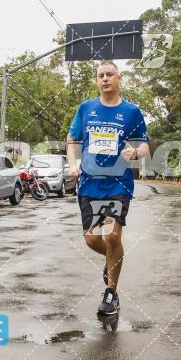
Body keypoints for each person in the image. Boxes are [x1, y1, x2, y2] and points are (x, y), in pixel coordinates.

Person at [67, 60, 150, 315]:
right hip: (90, 183)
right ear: (97, 81)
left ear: (119, 78)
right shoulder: (86, 108)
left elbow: (145, 146)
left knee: (113, 235)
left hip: (118, 183)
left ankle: (111, 293)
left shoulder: (131, 112)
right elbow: (72, 139)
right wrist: (73, 164)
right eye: (101, 75)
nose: (105, 79)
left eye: (110, 74)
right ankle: (111, 261)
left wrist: (135, 153)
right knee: (92, 239)